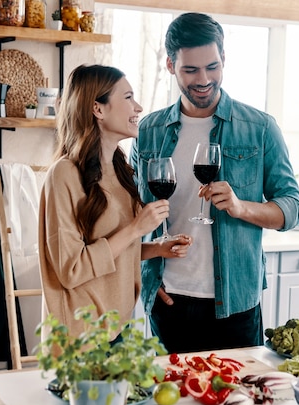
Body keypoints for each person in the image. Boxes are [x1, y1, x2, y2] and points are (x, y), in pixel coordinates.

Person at [130, 13, 299, 353]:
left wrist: (241, 208)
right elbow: (132, 214)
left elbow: (292, 208)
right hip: (168, 300)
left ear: (224, 59)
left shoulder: (260, 127)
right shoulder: (148, 131)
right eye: (190, 70)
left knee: (239, 402)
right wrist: (145, 276)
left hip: (235, 303)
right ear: (169, 65)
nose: (204, 79)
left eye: (212, 67)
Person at [38, 64, 192, 338]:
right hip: (80, 337)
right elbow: (72, 269)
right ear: (98, 109)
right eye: (128, 97)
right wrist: (136, 228)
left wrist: (155, 248)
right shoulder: (64, 175)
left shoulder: (121, 171)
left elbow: (111, 248)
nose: (139, 107)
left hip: (117, 329)